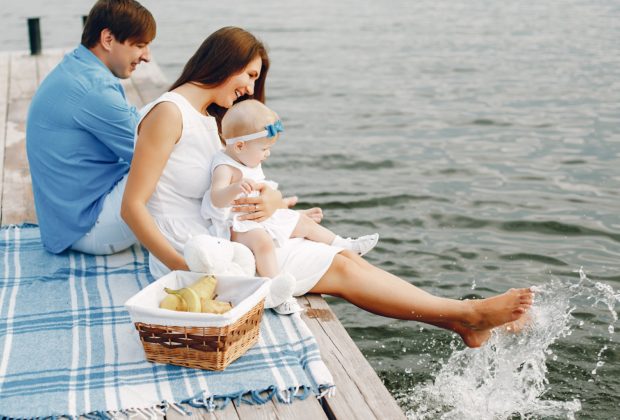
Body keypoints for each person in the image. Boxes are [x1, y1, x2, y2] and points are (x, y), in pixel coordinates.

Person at [121, 26, 534, 348]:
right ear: (223, 61)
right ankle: (466, 316)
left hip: (220, 237)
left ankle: (462, 319)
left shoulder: (207, 117)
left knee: (342, 258)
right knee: (340, 267)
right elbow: (134, 206)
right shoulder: (169, 113)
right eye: (249, 75)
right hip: (197, 254)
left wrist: (270, 201)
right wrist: (181, 268)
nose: (249, 88)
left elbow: (225, 180)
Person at [26, 0, 155, 255]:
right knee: (169, 167)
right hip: (90, 227)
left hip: (66, 223)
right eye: (139, 45)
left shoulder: (78, 67)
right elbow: (152, 155)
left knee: (156, 130)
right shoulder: (94, 89)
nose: (147, 56)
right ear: (108, 39)